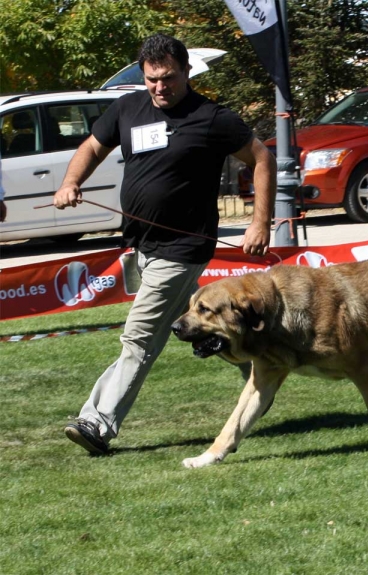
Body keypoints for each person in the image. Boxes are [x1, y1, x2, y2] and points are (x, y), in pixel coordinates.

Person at [54, 33, 277, 455]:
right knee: (204, 330)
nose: (160, 87)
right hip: (140, 246)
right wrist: (70, 182)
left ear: (186, 72)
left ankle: (97, 424)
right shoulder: (127, 109)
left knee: (139, 337)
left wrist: (258, 222)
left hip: (182, 250)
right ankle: (263, 369)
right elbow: (91, 147)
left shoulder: (211, 117)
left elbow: (261, 158)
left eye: (169, 78)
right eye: (152, 79)